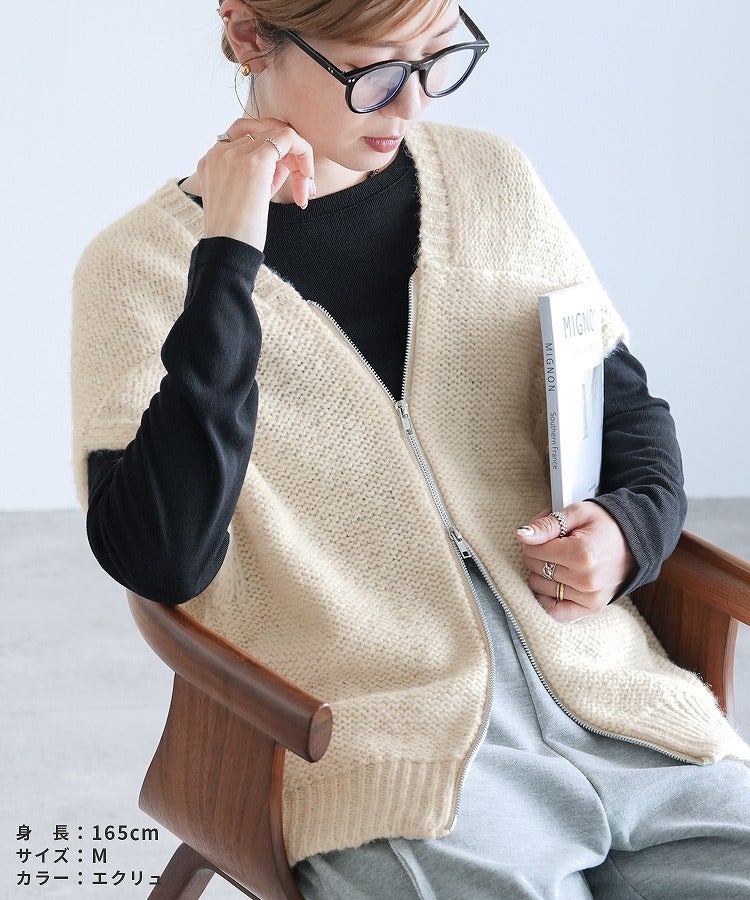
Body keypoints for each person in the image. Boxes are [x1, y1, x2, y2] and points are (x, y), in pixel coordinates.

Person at [71, 0, 750, 896]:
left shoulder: (490, 180)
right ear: (249, 36)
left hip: (628, 721)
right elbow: (160, 555)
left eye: (435, 59)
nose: (413, 102)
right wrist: (227, 254)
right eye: (375, 73)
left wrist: (629, 532)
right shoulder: (138, 268)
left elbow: (628, 417)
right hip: (386, 757)